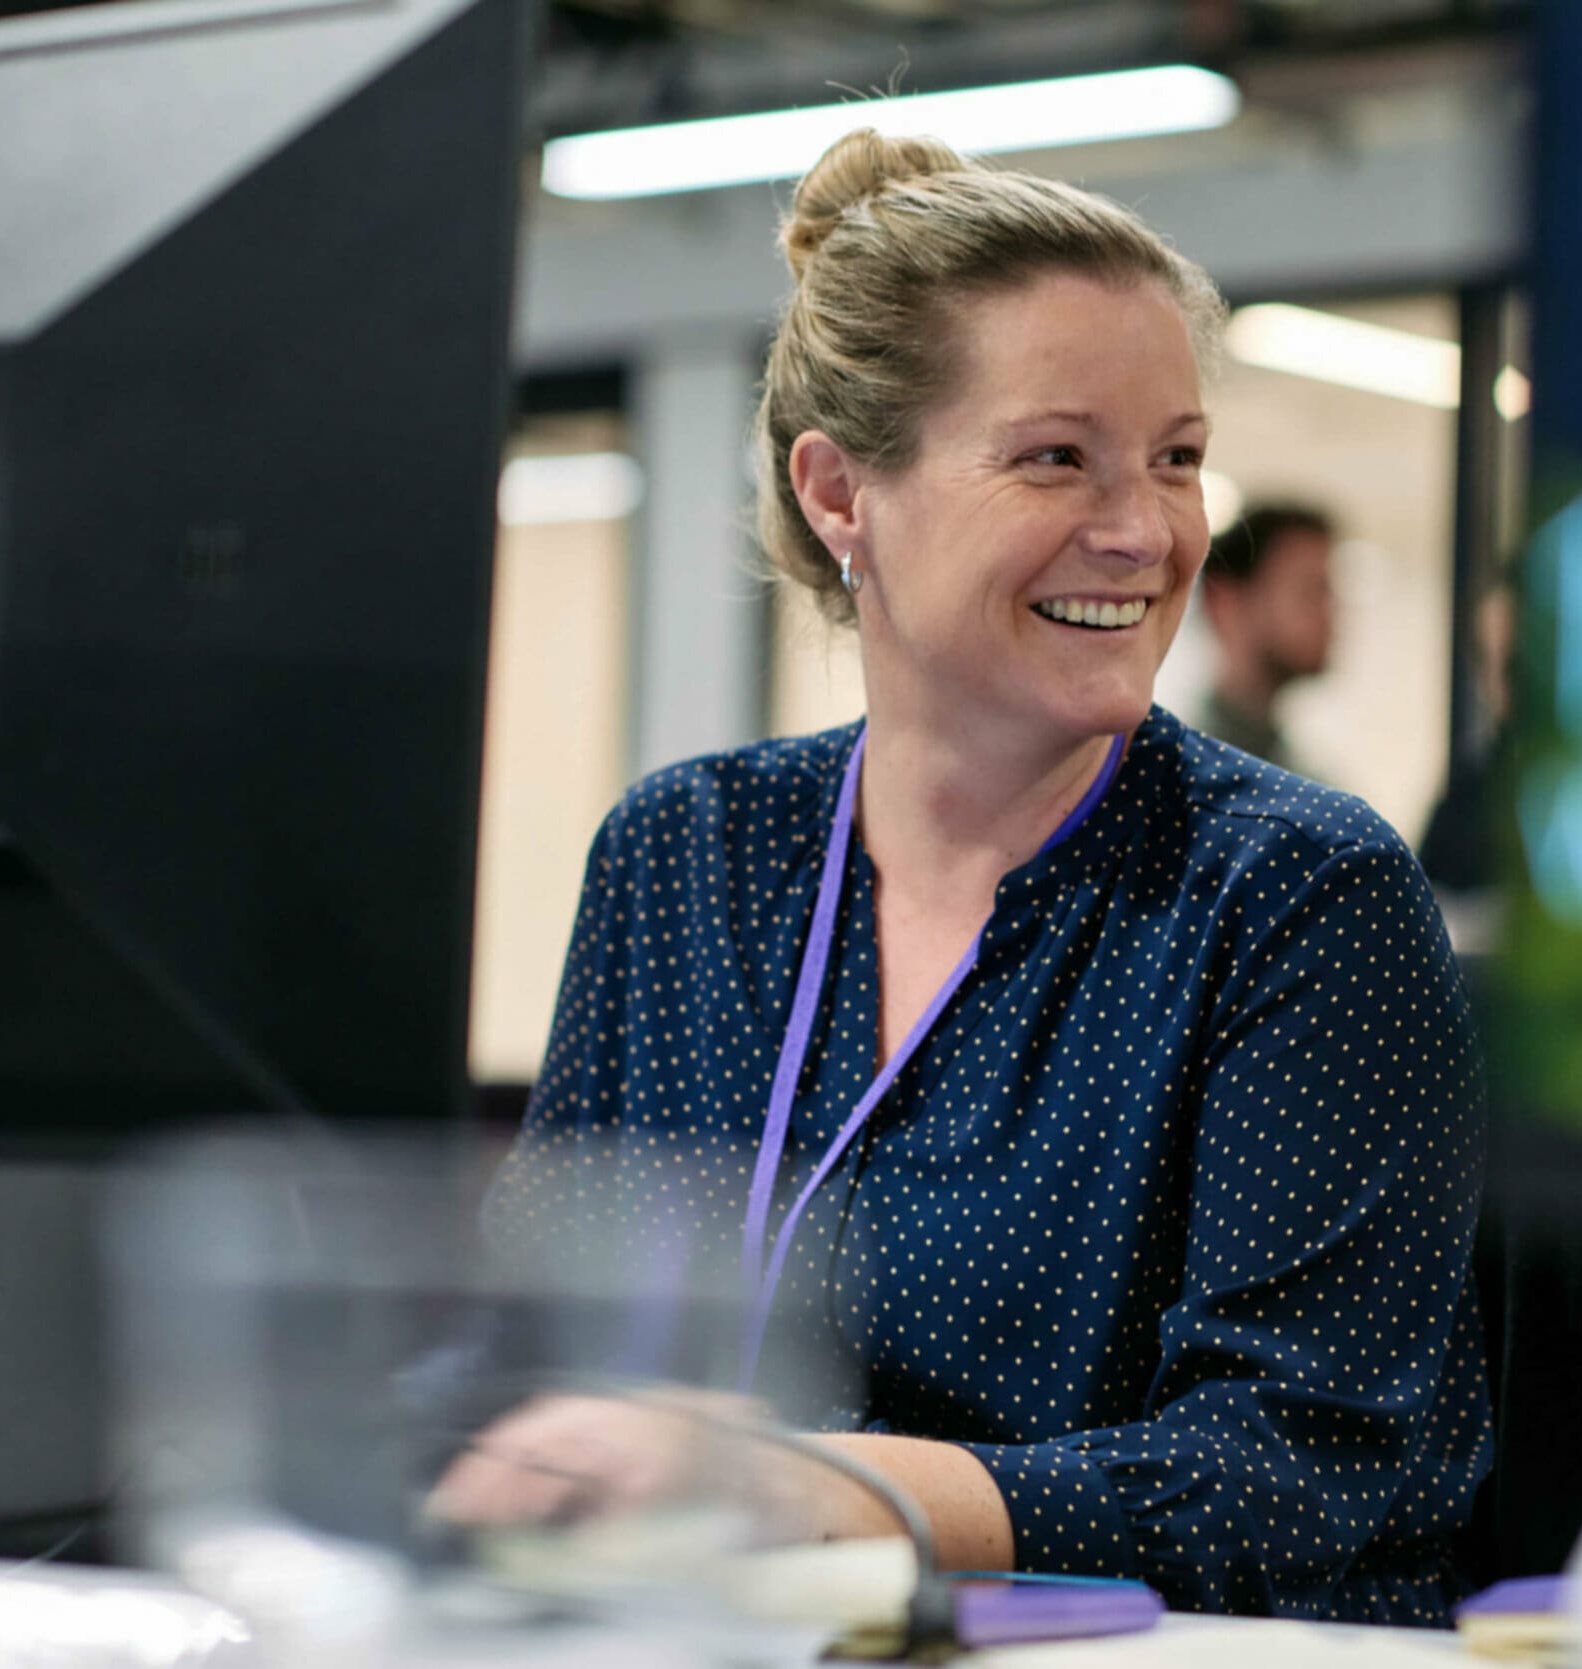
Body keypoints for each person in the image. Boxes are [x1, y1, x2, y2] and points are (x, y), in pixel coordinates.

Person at [457, 128, 1492, 1627]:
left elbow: (1295, 1470)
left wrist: (814, 1489)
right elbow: (539, 1348)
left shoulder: (1294, 896)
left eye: (1179, 459)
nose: (1145, 532)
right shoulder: (683, 857)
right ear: (840, 494)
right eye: (1056, 457)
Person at [1195, 503, 1339, 774]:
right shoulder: (1170, 774)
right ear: (1224, 604)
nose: (1330, 614)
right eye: (1310, 592)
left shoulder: (1309, 777)